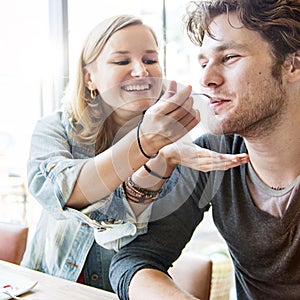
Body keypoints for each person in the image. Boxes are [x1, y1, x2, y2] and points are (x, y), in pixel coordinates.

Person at [21, 14, 247, 292]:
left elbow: (142, 247)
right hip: (46, 287)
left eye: (150, 60)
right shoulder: (56, 128)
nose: (141, 71)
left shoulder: (177, 149)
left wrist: (163, 158)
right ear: (90, 77)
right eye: (122, 61)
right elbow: (58, 190)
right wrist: (145, 144)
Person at [109, 1, 300, 299]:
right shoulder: (211, 154)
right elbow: (133, 260)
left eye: (230, 57)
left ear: (293, 65)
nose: (206, 79)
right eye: (203, 64)